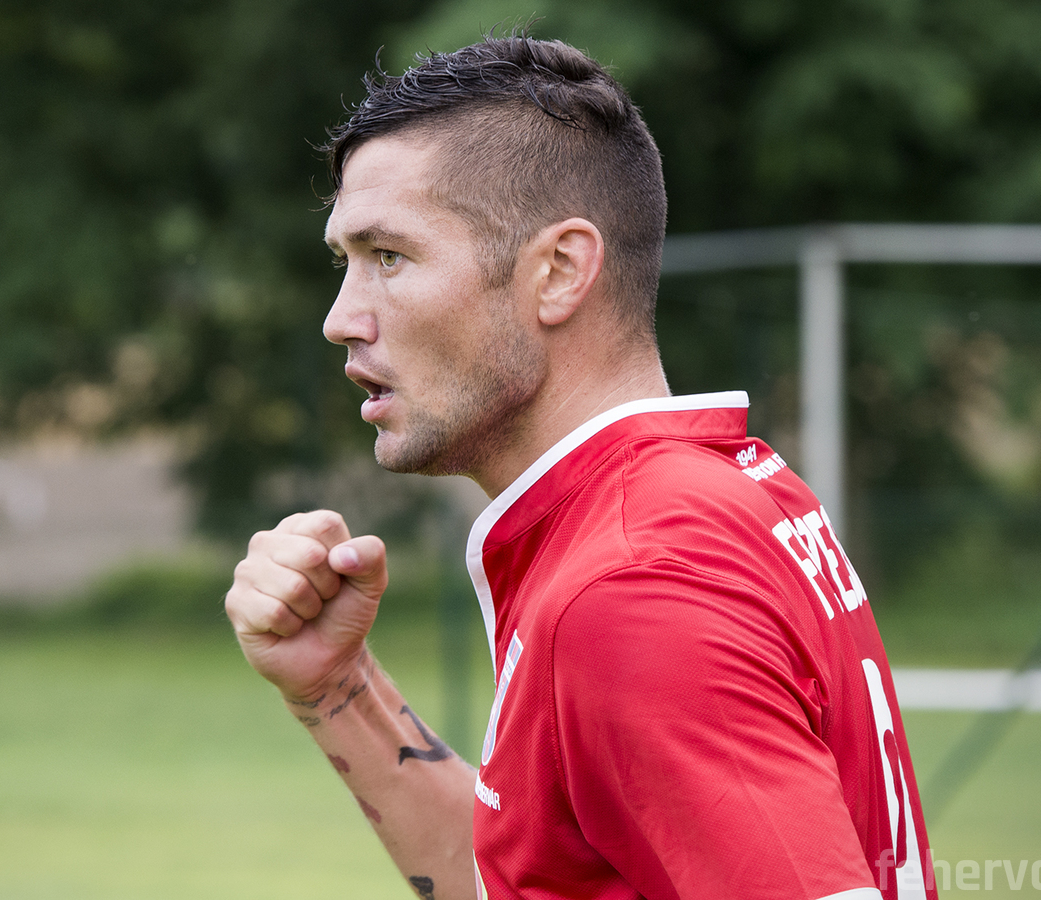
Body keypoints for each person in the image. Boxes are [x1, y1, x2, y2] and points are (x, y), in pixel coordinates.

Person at [225, 34, 935, 900]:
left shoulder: (634, 583)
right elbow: (533, 876)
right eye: (347, 263)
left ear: (560, 271)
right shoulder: (711, 494)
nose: (341, 319)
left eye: (391, 257)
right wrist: (338, 687)